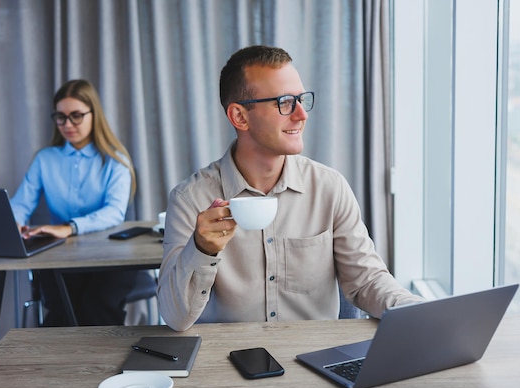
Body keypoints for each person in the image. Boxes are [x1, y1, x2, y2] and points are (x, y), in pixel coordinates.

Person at [157, 45, 423, 331]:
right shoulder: (190, 199)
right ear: (240, 117)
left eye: (301, 100)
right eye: (284, 102)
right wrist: (201, 249)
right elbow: (175, 317)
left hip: (315, 360)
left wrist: (423, 312)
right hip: (225, 364)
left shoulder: (329, 188)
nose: (301, 115)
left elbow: (368, 281)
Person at [11, 79, 139, 326]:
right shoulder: (45, 159)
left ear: (94, 115)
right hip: (61, 255)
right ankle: (59, 365)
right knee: (61, 312)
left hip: (112, 257)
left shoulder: (115, 161)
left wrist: (69, 227)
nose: (67, 124)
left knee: (96, 309)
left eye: (76, 116)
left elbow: (114, 213)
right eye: (61, 117)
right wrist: (14, 222)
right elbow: (21, 203)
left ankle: (102, 364)